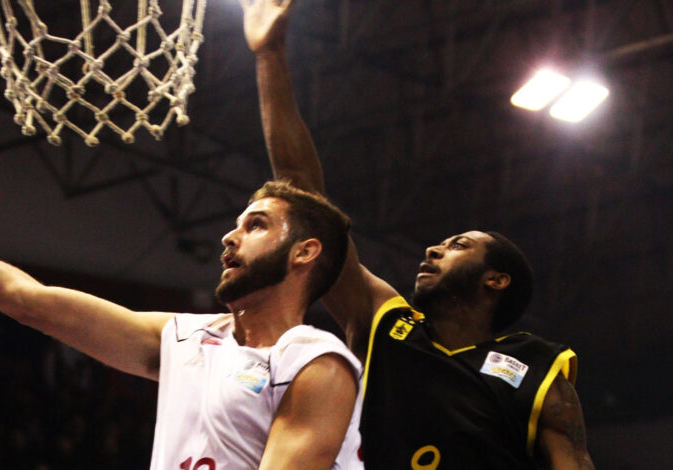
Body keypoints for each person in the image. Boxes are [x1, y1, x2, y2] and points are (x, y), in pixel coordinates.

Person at [239, 0, 595, 468]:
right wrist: (270, 54)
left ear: (496, 280)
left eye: (459, 246)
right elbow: (304, 197)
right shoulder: (387, 326)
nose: (433, 249)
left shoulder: (537, 370)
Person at [0, 180, 364, 470]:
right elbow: (26, 300)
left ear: (304, 252)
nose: (229, 235)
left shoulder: (315, 362)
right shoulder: (184, 338)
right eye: (237, 224)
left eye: (256, 225)